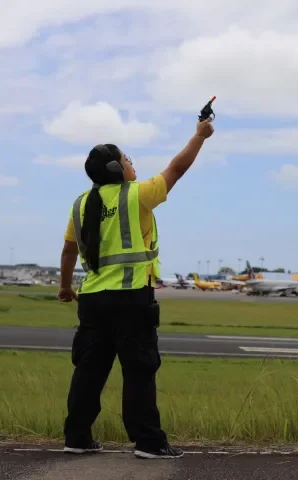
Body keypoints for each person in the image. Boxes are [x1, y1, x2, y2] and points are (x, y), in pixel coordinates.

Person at [57, 117, 215, 459]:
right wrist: (199, 136)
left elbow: (69, 250)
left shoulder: (80, 204)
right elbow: (177, 168)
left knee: (89, 370)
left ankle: (77, 437)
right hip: (131, 299)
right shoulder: (138, 194)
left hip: (93, 301)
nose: (133, 164)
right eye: (128, 159)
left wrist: (66, 286)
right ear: (117, 168)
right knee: (139, 370)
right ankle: (148, 442)